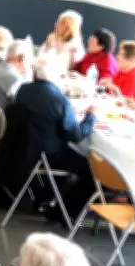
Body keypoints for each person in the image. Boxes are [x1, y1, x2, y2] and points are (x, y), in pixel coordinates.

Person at [15, 59, 97, 223]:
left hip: (24, 147)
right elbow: (77, 135)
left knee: (69, 155)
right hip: (47, 154)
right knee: (93, 170)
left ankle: (46, 197)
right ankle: (64, 212)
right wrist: (90, 117)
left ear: (35, 73)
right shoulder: (59, 100)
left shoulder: (23, 89)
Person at [0, 38, 34, 108]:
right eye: (30, 59)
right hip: (4, 113)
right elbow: (26, 104)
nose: (31, 64)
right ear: (21, 57)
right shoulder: (15, 79)